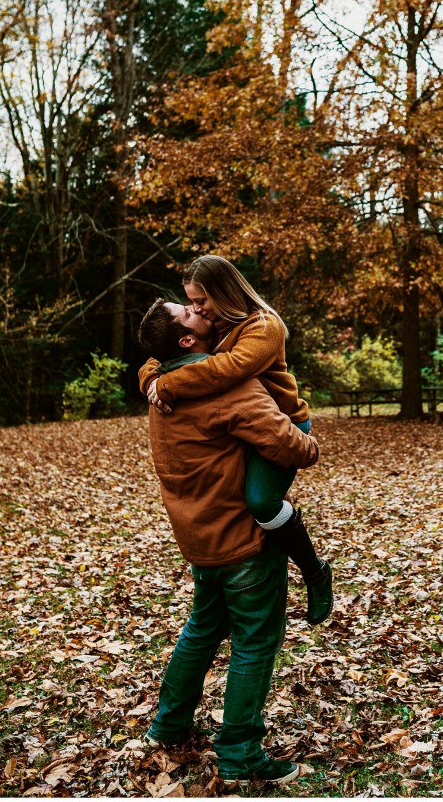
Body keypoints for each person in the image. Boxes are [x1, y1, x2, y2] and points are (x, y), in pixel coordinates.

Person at [137, 297, 320, 786]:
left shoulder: (162, 388)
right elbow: (289, 446)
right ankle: (240, 752)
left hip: (198, 537)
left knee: (201, 629)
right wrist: (310, 441)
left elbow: (152, 368)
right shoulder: (229, 388)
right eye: (193, 313)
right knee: (255, 642)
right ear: (186, 339)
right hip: (242, 539)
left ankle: (168, 726)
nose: (205, 313)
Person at [139, 254, 333, 625]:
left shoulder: (263, 326)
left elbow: (228, 370)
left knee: (261, 502)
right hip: (245, 426)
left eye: (201, 301)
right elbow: (157, 357)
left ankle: (314, 570)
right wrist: (151, 380)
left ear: (224, 291)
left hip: (283, 424)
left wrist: (167, 383)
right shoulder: (211, 327)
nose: (197, 308)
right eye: (192, 303)